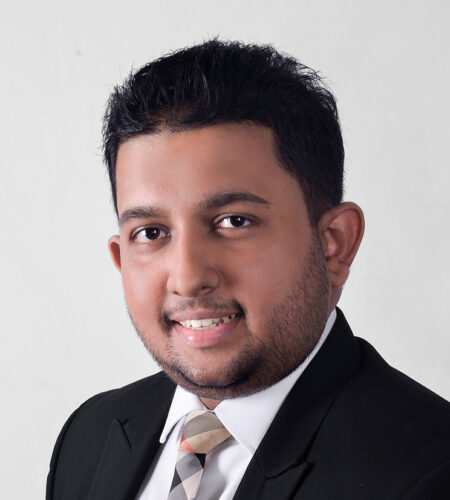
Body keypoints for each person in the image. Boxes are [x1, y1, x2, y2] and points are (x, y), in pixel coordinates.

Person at [46, 40, 450, 500]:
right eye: (151, 232)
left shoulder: (429, 473)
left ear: (334, 244)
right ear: (120, 260)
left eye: (234, 221)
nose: (188, 278)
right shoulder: (88, 436)